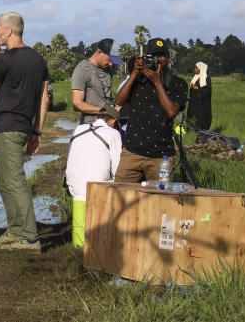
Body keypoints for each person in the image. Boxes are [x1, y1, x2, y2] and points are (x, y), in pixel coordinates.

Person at [0, 12, 49, 253]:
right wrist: (37, 132)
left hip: (10, 126)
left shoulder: (5, 58)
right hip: (23, 126)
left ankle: (30, 238)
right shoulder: (38, 59)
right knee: (1, 177)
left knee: (14, 179)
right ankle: (15, 229)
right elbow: (44, 97)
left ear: (9, 31)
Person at [113, 38, 188, 183]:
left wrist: (157, 82)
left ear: (167, 57)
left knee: (160, 201)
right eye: (153, 57)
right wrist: (134, 74)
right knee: (120, 196)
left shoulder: (177, 83)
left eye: (161, 56)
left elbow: (172, 112)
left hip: (161, 156)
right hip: (132, 151)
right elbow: (119, 101)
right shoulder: (137, 80)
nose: (158, 60)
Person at [64, 106, 122, 247]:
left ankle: (78, 242)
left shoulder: (77, 130)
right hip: (98, 190)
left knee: (79, 236)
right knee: (117, 182)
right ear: (114, 122)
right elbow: (117, 168)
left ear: (97, 118)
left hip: (74, 188)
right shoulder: (113, 134)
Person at [71, 39, 122, 124]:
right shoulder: (82, 69)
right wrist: (104, 110)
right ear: (99, 52)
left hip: (109, 125)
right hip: (90, 126)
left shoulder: (107, 69)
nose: (111, 64)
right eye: (109, 59)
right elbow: (77, 104)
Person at [186, 61, 212, 131]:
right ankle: (190, 129)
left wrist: (196, 88)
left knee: (201, 116)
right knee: (192, 114)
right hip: (194, 101)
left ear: (201, 68)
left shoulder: (206, 78)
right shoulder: (196, 77)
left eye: (196, 67)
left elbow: (207, 89)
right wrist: (191, 87)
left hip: (202, 102)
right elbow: (193, 87)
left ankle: (201, 130)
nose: (195, 69)